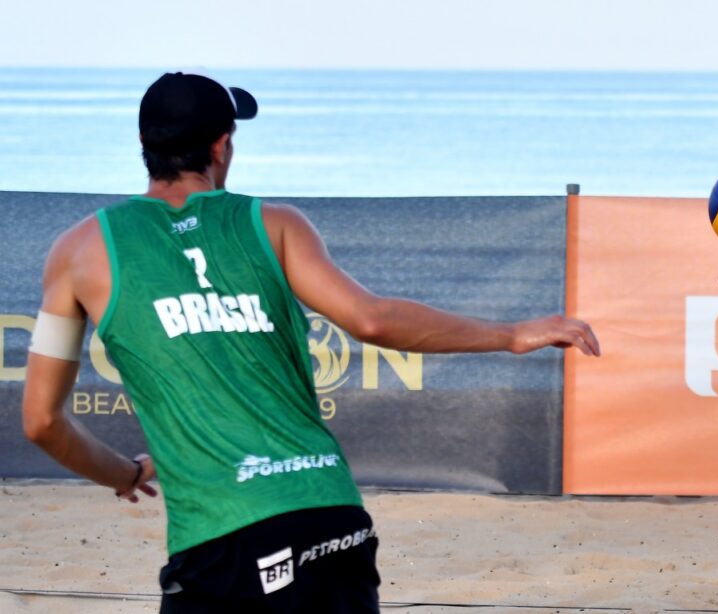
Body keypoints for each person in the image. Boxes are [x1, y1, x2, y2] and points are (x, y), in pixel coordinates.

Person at [21, 72, 600, 613]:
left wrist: (124, 474)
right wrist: (512, 333)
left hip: (222, 534)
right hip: (328, 514)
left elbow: (42, 423)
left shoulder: (78, 252)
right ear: (221, 146)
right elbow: (371, 320)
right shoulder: (276, 225)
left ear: (145, 145)